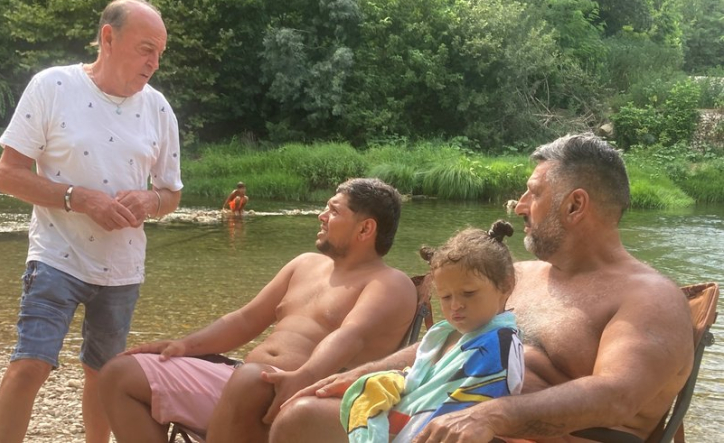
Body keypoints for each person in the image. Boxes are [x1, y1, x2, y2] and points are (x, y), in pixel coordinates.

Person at [271, 133, 694, 443]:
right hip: (457, 422)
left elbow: (617, 396)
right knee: (298, 410)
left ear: (575, 205)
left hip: (528, 435)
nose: (519, 206)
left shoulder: (649, 298)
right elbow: (447, 341)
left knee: (301, 422)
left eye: (533, 193)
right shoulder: (521, 275)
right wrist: (360, 374)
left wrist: (492, 417)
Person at [0, 0, 182, 443]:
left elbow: (170, 193)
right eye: (146, 48)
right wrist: (79, 198)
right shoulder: (52, 86)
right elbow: (7, 175)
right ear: (108, 38)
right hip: (55, 256)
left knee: (104, 375)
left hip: (122, 268)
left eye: (159, 53)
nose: (154, 63)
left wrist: (149, 202)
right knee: (29, 365)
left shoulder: (158, 108)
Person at [98, 178, 418, 443]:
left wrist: (301, 377)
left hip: (302, 401)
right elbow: (246, 319)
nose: (321, 216)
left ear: (365, 230)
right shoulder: (304, 264)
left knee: (253, 378)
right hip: (242, 387)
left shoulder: (390, 282)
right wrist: (185, 346)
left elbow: (352, 336)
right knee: (120, 373)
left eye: (334, 211)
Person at [340, 220, 524, 443]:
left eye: (468, 293)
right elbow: (423, 383)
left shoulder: (499, 344)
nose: (455, 305)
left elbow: (468, 411)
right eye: (445, 297)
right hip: (403, 425)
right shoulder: (443, 333)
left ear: (505, 286)